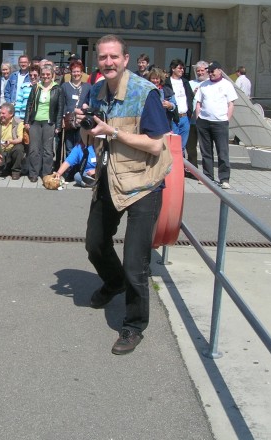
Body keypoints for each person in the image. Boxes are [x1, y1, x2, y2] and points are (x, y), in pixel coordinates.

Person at [76, 34, 172, 355]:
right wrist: (85, 126)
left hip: (145, 181)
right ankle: (113, 282)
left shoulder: (146, 94)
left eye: (114, 57)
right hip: (111, 175)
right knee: (95, 242)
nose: (108, 63)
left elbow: (157, 144)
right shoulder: (96, 90)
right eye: (103, 58)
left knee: (135, 262)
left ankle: (133, 326)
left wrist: (112, 131)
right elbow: (91, 135)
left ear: (126, 59)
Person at [194, 61, 238, 189]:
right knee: (205, 151)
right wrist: (198, 118)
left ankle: (224, 178)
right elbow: (198, 103)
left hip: (220, 122)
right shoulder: (204, 85)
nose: (210, 73)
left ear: (219, 70)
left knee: (222, 151)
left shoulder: (227, 85)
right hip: (204, 121)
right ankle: (207, 176)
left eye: (213, 71)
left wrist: (226, 119)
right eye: (209, 71)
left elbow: (231, 104)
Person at [25, 64, 60, 182]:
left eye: (48, 74)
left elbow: (60, 109)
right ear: (40, 75)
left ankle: (46, 173)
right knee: (34, 149)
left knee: (48, 150)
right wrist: (26, 121)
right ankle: (34, 173)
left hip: (49, 123)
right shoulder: (36, 88)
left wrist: (58, 125)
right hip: (35, 122)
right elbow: (29, 105)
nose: (45, 76)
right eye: (43, 74)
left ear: (52, 75)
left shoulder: (57, 89)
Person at [57, 59, 91, 162]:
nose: (76, 74)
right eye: (74, 71)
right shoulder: (65, 86)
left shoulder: (88, 87)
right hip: (69, 121)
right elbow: (62, 103)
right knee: (69, 146)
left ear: (81, 72)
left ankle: (78, 170)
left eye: (78, 71)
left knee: (80, 146)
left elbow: (90, 102)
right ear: (71, 72)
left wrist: (87, 106)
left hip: (81, 121)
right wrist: (62, 118)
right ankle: (69, 171)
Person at [166, 59, 194, 153]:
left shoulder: (185, 82)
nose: (182, 70)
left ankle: (180, 166)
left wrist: (190, 112)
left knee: (182, 146)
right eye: (180, 68)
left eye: (183, 68)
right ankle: (172, 167)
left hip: (185, 118)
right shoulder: (167, 82)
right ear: (173, 69)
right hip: (173, 118)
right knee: (173, 145)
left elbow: (190, 97)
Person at [185, 60, 208, 174]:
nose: (200, 73)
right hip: (192, 121)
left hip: (206, 121)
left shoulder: (210, 83)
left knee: (205, 148)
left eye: (202, 70)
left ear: (207, 71)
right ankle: (192, 171)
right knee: (191, 147)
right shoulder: (190, 83)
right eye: (198, 71)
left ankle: (206, 173)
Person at [0, 102, 25, 180]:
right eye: (0, 113)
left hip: (12, 149)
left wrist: (10, 141)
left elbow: (20, 139)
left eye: (3, 113)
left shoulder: (19, 123)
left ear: (11, 114)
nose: (1, 115)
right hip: (0, 150)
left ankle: (16, 171)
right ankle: (6, 167)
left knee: (19, 148)